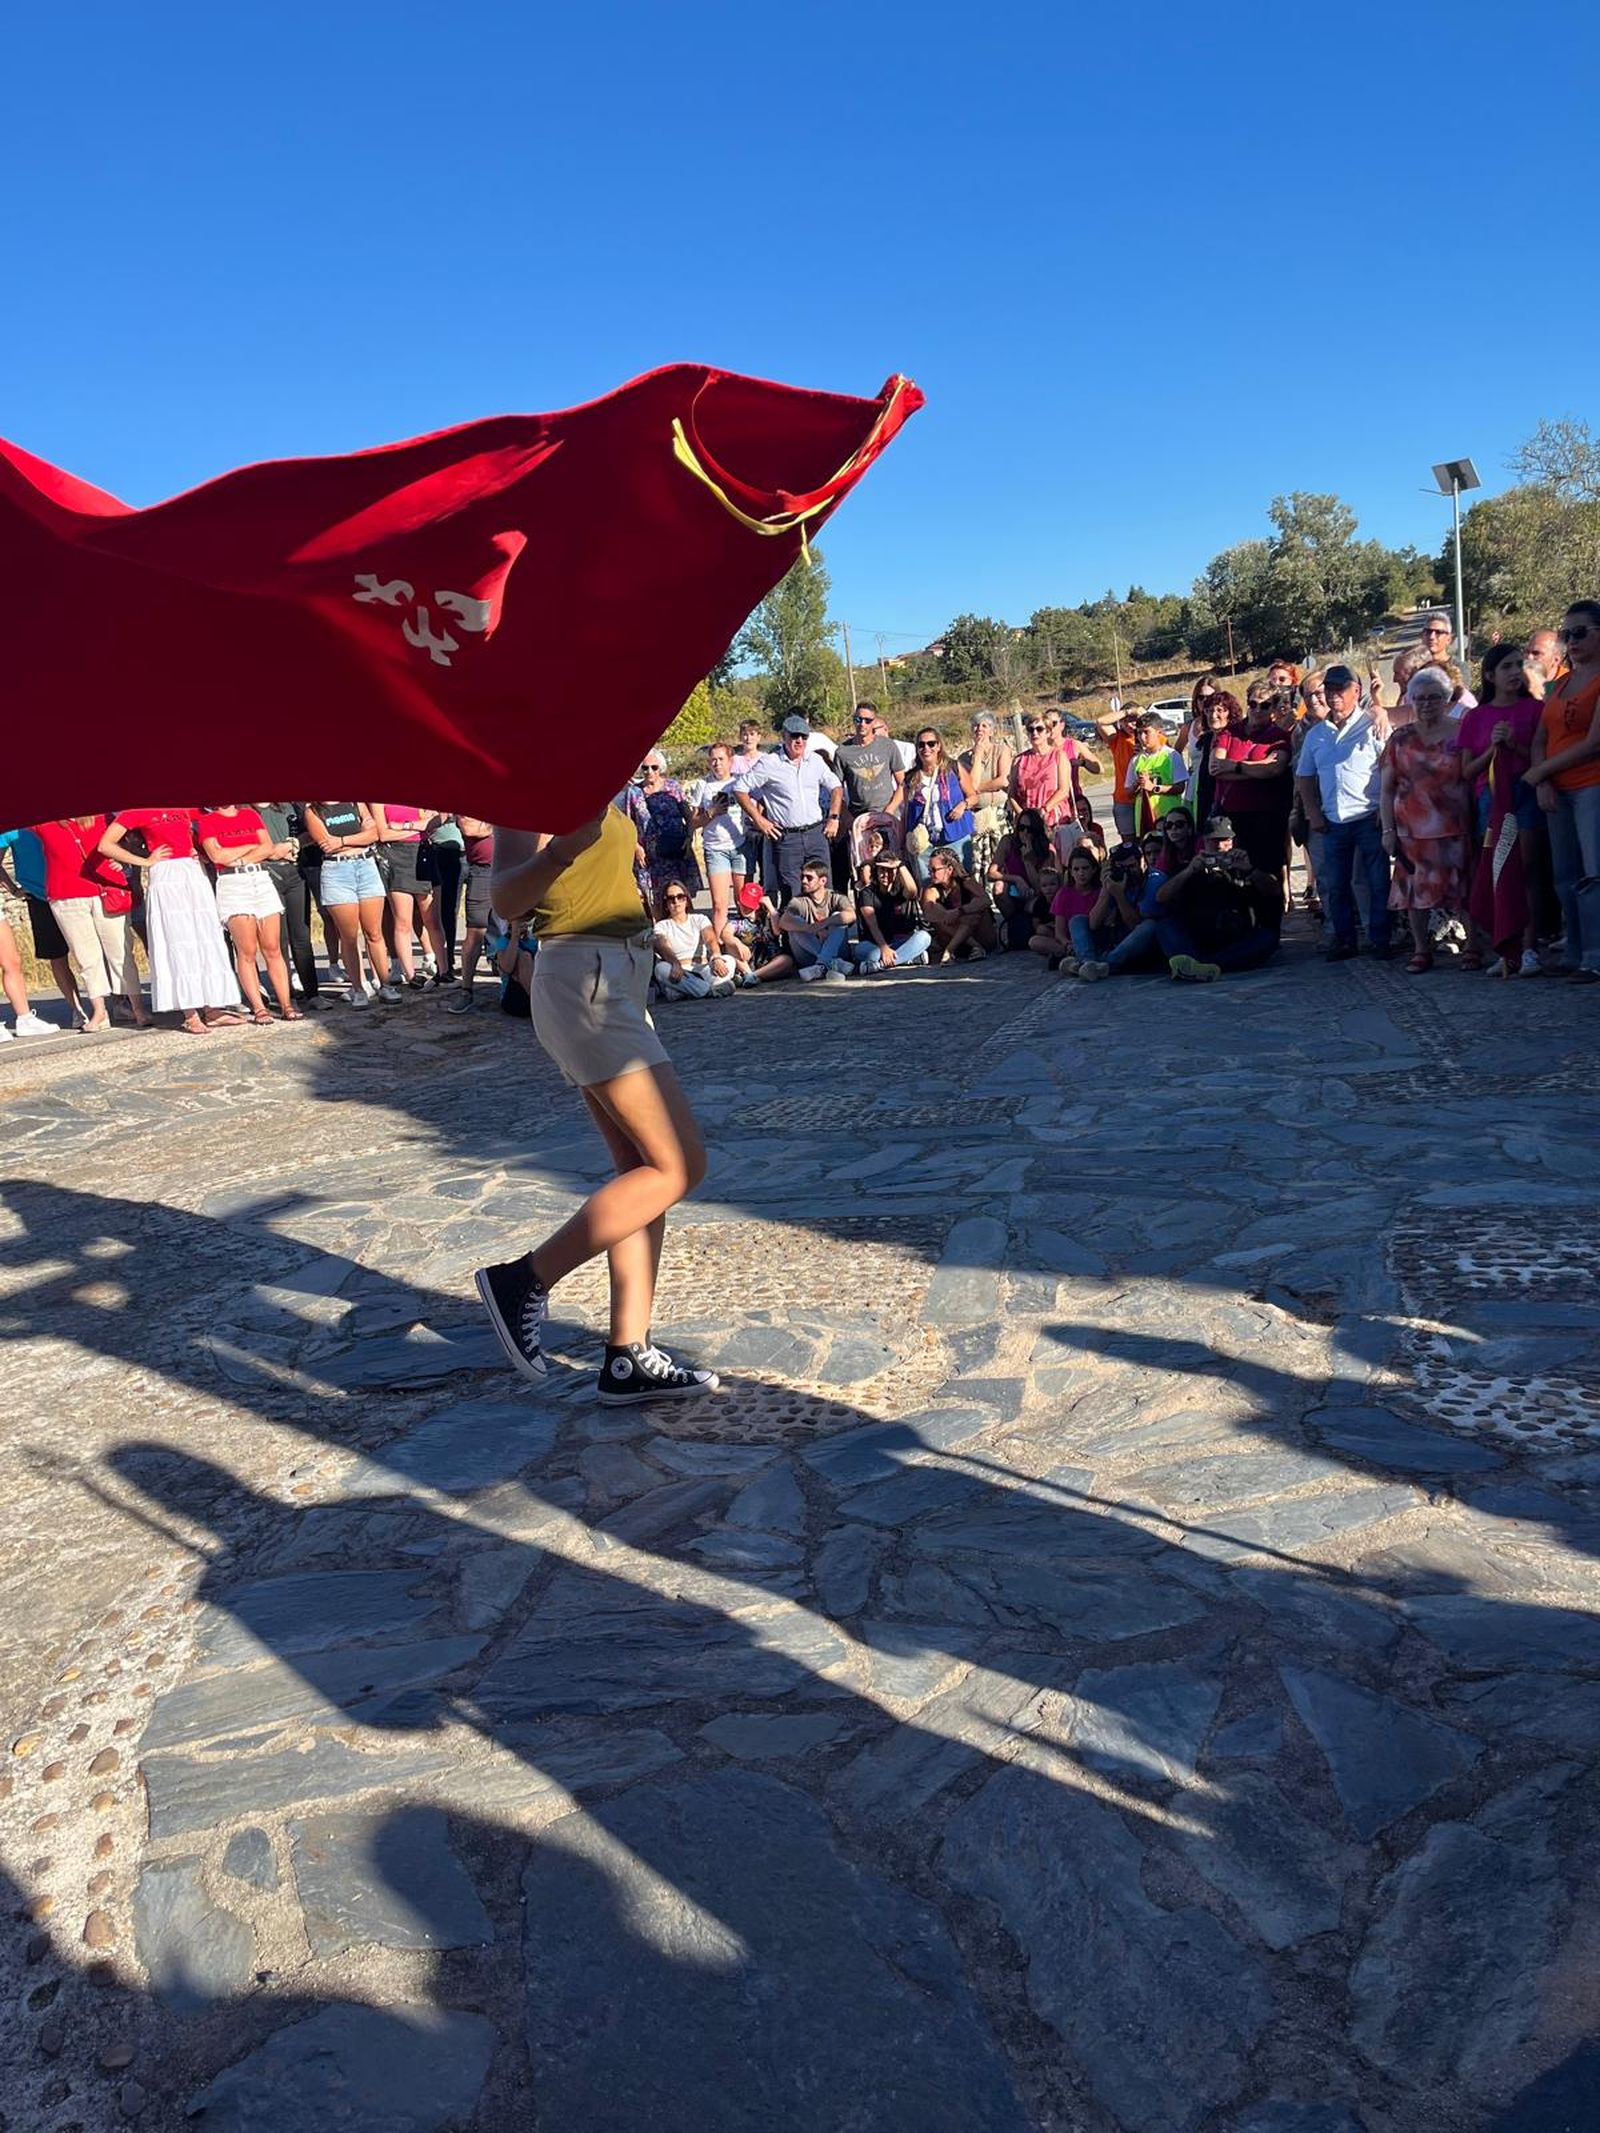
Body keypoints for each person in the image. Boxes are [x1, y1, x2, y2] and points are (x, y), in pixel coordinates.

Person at [476, 805, 716, 1405]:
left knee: (643, 1172)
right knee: (679, 1166)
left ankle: (627, 1354)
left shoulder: (600, 778)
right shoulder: (531, 786)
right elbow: (504, 902)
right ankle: (522, 1281)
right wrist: (560, 849)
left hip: (618, 976)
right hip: (586, 976)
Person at [98, 805, 246, 1034]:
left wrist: (203, 851)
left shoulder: (186, 807)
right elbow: (106, 844)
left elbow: (214, 820)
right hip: (165, 874)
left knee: (204, 936)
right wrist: (144, 861)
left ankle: (212, 1009)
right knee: (177, 939)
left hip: (193, 872)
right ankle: (190, 1013)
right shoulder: (138, 811)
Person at [1293, 666, 1392, 962]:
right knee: (1336, 885)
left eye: (1340, 689)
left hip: (1368, 817)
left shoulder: (1372, 725)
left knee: (1376, 882)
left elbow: (1390, 769)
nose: (1334, 695)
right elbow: (1305, 777)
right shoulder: (1316, 735)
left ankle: (1379, 939)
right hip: (1333, 821)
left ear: (1355, 692)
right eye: (1330, 689)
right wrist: (1313, 813)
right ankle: (1345, 940)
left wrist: (1385, 812)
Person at [1524, 599, 1600, 982]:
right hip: (1559, 788)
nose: (1572, 640)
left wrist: (1539, 774)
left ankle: (1595, 954)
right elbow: (1542, 735)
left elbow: (1592, 742)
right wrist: (1544, 778)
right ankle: (1573, 951)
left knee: (1594, 874)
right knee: (1564, 875)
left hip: (1592, 786)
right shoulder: (1562, 683)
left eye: (1581, 632)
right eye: (1567, 634)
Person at [1457, 646, 1544, 976]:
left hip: (1524, 789)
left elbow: (1537, 757)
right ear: (1490, 676)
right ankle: (1505, 947)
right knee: (1498, 869)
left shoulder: (1534, 710)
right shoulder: (1476, 717)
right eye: (1506, 666)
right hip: (1490, 796)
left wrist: (1513, 746)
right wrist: (1494, 749)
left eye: (1519, 665)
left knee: (1527, 868)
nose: (1514, 672)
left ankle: (1530, 946)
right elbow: (1467, 770)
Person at [1380, 669, 1473, 974]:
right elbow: (1386, 788)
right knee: (1414, 893)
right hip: (1411, 831)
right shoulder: (1400, 738)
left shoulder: (1462, 732)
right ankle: (1421, 949)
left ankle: (1473, 946)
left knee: (1464, 890)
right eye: (1419, 698)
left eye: (1434, 697)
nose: (1426, 704)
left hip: (1455, 826)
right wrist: (1388, 830)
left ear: (1447, 700)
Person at [34, 815, 147, 1032]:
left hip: (106, 888)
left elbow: (134, 834)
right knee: (87, 956)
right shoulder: (43, 822)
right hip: (66, 893)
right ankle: (100, 1010)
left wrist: (124, 859)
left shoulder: (103, 817)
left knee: (121, 952)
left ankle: (137, 1007)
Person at [195, 804, 299, 1022]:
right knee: (247, 950)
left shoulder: (249, 814)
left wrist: (240, 855)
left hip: (260, 878)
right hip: (232, 883)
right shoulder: (208, 820)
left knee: (273, 947)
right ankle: (259, 1007)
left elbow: (268, 847)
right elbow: (217, 855)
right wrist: (250, 847)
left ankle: (286, 1004)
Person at [1148, 813, 1284, 981]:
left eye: (1224, 840)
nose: (1219, 845)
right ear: (1204, 842)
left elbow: (1274, 891)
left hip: (1234, 938)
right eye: (1214, 840)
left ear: (1233, 841)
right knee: (1164, 925)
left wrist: (1249, 870)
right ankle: (1196, 963)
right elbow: (1161, 897)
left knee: (1267, 938)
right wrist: (1189, 872)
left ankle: (1199, 965)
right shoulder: (1192, 866)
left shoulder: (1243, 865)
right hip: (1198, 936)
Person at [302, 802, 404, 1008]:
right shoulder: (313, 811)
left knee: (374, 933)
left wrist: (341, 840)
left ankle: (385, 984)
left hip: (365, 866)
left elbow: (374, 833)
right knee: (348, 936)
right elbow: (325, 843)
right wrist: (358, 838)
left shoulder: (354, 803)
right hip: (337, 871)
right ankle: (358, 988)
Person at [733, 715, 843, 902]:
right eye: (794, 736)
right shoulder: (770, 763)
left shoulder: (815, 760)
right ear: (784, 736)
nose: (799, 741)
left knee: (824, 889)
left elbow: (836, 787)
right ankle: (796, 931)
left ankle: (827, 929)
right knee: (792, 891)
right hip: (787, 838)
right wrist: (760, 821)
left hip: (816, 833)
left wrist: (834, 817)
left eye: (803, 736)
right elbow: (740, 789)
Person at [0, 826, 82, 1024]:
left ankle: (116, 1001)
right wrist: (13, 888)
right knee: (57, 956)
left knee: (89, 952)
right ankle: (77, 1009)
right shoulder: (10, 829)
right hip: (39, 896)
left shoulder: (53, 819)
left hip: (71, 890)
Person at [1212, 684, 1294, 878]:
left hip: (1265, 816)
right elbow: (1215, 768)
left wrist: (1235, 766)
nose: (1257, 710)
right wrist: (1257, 767)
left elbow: (1274, 769)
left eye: (1265, 705)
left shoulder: (1279, 737)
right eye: (1253, 704)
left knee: (1265, 874)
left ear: (1273, 708)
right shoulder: (1229, 733)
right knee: (1231, 874)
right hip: (1230, 816)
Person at [256, 803, 323, 1007]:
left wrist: (290, 845)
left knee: (301, 936)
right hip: (267, 874)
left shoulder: (288, 806)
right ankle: (287, 995)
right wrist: (273, 852)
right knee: (278, 940)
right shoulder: (249, 812)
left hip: (294, 872)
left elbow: (310, 834)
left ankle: (312, 993)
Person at [688, 740, 749, 946]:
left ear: (730, 761)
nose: (716, 764)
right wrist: (711, 812)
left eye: (721, 759)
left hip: (739, 845)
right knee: (719, 904)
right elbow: (693, 822)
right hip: (715, 849)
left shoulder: (739, 783)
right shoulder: (703, 785)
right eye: (713, 760)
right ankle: (720, 950)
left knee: (744, 901)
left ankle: (747, 942)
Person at [754, 860, 855, 982]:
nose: (803, 881)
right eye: (802, 877)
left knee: (838, 917)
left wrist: (823, 924)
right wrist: (811, 928)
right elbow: (783, 922)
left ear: (823, 881)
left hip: (837, 951)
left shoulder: (836, 897)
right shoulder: (799, 901)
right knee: (794, 924)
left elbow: (851, 915)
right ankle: (830, 963)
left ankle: (821, 965)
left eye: (809, 878)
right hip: (809, 957)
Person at [626, 753, 701, 912]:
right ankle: (661, 932)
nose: (650, 771)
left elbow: (688, 816)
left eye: (654, 767)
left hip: (675, 849)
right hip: (650, 855)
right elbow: (628, 823)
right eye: (645, 768)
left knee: (681, 896)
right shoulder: (634, 792)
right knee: (655, 898)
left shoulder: (672, 787)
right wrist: (636, 847)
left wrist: (689, 838)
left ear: (661, 768)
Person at [372, 804, 436, 987]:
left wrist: (403, 827)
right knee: (402, 921)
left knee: (430, 918)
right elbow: (383, 834)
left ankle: (441, 966)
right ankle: (411, 975)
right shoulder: (378, 800)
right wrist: (418, 827)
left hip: (421, 852)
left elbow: (434, 821)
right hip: (394, 857)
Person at [834, 704, 905, 868]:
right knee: (864, 868)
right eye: (858, 719)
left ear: (874, 722)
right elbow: (836, 791)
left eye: (867, 720)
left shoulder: (888, 746)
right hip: (860, 819)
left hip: (888, 816)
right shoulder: (843, 752)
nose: (862, 724)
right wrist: (847, 818)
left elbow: (903, 782)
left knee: (891, 865)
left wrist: (890, 810)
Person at [902, 728, 975, 881]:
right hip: (924, 840)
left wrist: (963, 805)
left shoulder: (954, 768)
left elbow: (973, 795)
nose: (926, 749)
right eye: (921, 745)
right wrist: (904, 839)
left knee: (962, 880)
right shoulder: (911, 778)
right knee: (929, 883)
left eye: (931, 744)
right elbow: (906, 812)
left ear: (939, 746)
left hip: (955, 834)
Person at [848, 850, 932, 973]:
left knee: (924, 937)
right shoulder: (867, 893)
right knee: (868, 953)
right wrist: (884, 948)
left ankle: (880, 965)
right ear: (876, 871)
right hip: (874, 944)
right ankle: (908, 957)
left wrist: (900, 865)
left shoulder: (901, 889)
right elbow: (873, 925)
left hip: (899, 942)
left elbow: (913, 891)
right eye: (882, 870)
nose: (885, 874)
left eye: (889, 870)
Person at [651, 883, 739, 1000]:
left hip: (702, 969)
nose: (676, 901)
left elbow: (710, 939)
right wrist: (675, 963)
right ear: (666, 904)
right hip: (679, 972)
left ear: (687, 900)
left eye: (680, 897)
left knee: (729, 960)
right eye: (671, 899)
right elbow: (663, 946)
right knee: (661, 969)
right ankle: (709, 991)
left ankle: (686, 991)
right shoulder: (661, 926)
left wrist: (716, 957)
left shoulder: (699, 918)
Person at [989, 808, 1057, 951]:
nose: (1025, 833)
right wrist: (1016, 879)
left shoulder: (1046, 849)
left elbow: (1041, 886)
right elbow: (992, 873)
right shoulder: (1008, 841)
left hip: (1036, 893)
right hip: (1015, 889)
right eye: (1021, 828)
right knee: (999, 888)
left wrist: (1028, 860)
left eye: (1029, 829)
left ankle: (1030, 930)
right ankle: (1014, 925)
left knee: (1034, 903)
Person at [960, 712, 1013, 887]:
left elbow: (1003, 780)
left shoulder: (1002, 750)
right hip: (976, 817)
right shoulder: (963, 759)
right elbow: (970, 782)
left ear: (992, 730)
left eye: (984, 725)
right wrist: (977, 756)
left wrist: (977, 789)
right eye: (976, 725)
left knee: (1001, 860)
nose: (979, 729)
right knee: (977, 864)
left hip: (997, 816)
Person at [451, 816, 496, 1011]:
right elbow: (470, 829)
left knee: (520, 926)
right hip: (482, 871)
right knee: (476, 931)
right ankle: (466, 990)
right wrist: (503, 824)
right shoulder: (469, 797)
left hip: (512, 866)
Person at [922, 848, 995, 961]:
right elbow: (928, 911)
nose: (930, 874)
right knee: (937, 912)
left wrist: (960, 911)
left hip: (982, 937)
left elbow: (986, 900)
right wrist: (946, 914)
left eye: (934, 870)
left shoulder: (966, 882)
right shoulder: (932, 890)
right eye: (929, 870)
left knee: (974, 911)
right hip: (957, 941)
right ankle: (974, 946)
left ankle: (950, 951)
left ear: (949, 869)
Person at [1009, 712, 1069, 848]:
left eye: (1039, 729)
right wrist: (1023, 816)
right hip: (1027, 823)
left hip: (1054, 819)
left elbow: (1063, 790)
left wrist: (1043, 811)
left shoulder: (1058, 756)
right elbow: (1011, 794)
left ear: (1048, 732)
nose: (1034, 733)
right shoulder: (1019, 760)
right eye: (1031, 729)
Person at [1041, 845, 1103, 970]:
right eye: (1076, 869)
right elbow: (1060, 931)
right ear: (1070, 872)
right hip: (1071, 942)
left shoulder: (1100, 892)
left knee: (1078, 921)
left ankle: (1077, 962)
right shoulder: (1064, 894)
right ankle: (1076, 957)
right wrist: (1067, 944)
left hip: (1093, 937)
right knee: (1035, 941)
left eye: (1085, 868)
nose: (1081, 873)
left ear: (1094, 869)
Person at [1184, 691, 1238, 835]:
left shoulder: (1237, 738)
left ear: (1230, 713)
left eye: (1220, 710)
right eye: (1209, 710)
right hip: (1205, 801)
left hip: (1229, 803)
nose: (1213, 715)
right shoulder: (1207, 739)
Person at [421, 810, 465, 980]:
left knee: (482, 914)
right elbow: (428, 822)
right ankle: (447, 961)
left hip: (469, 851)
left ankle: (494, 955)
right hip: (442, 852)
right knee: (448, 911)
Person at [1127, 714, 1188, 834]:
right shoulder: (1136, 760)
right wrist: (1137, 784)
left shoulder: (1171, 756)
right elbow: (1128, 792)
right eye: (1139, 733)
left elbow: (1180, 787)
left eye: (1146, 732)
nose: (1142, 737)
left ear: (1158, 732)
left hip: (1168, 817)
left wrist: (1154, 788)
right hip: (1145, 818)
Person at [1094, 704, 1144, 841]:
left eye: (1133, 719)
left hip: (1147, 796)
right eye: (1126, 720)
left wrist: (1142, 714)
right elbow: (1100, 722)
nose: (1130, 724)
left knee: (1149, 839)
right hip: (1124, 799)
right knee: (1129, 843)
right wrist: (1127, 712)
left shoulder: (1150, 737)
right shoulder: (1117, 739)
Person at [1418, 615, 1477, 705]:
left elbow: (1461, 700)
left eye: (1438, 632)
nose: (1432, 637)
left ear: (1448, 639)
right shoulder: (1417, 667)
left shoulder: (1460, 667)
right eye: (1428, 632)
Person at [1524, 627, 1562, 697]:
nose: (1529, 657)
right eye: (1526, 652)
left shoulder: (1567, 684)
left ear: (1556, 660)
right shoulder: (1519, 681)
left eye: (1536, 653)